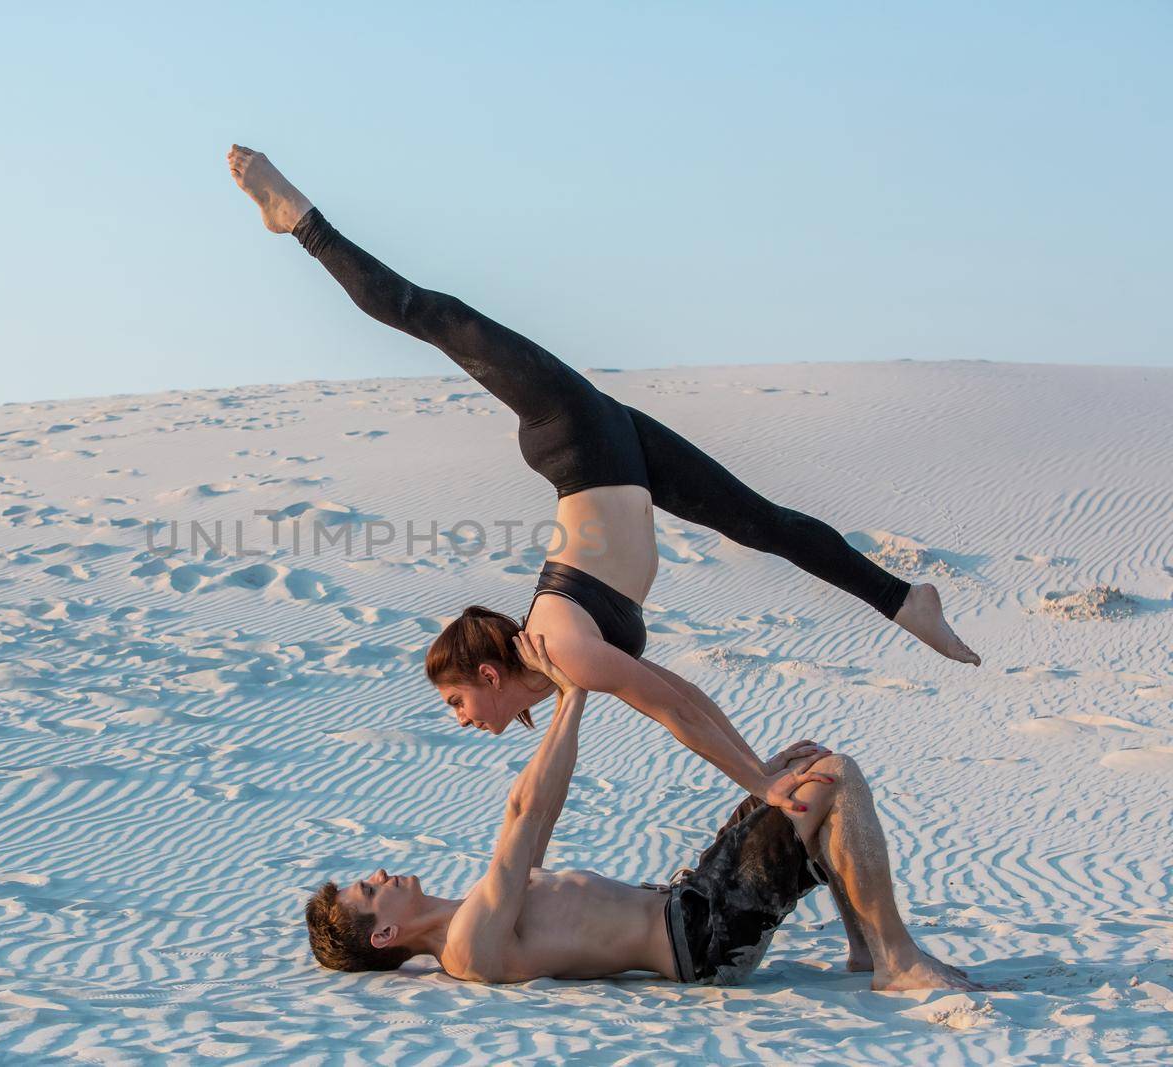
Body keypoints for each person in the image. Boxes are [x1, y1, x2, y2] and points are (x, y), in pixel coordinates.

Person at [228, 145, 980, 813]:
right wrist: (758, 770)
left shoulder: (560, 645)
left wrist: (758, 783)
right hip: (618, 453)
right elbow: (681, 695)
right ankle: (904, 599)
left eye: (456, 699)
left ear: (489, 672)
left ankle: (298, 217)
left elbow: (670, 705)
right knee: (763, 523)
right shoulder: (562, 661)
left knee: (430, 314)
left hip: (578, 439)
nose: (460, 715)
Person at [305, 634, 978, 992]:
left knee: (803, 763)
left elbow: (540, 816)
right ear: (385, 933)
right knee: (834, 778)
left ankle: (862, 943)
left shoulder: (481, 909)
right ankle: (895, 956)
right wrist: (572, 692)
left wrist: (576, 692)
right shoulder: (468, 946)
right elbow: (520, 808)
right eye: (371, 888)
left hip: (693, 899)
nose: (383, 873)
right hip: (704, 936)